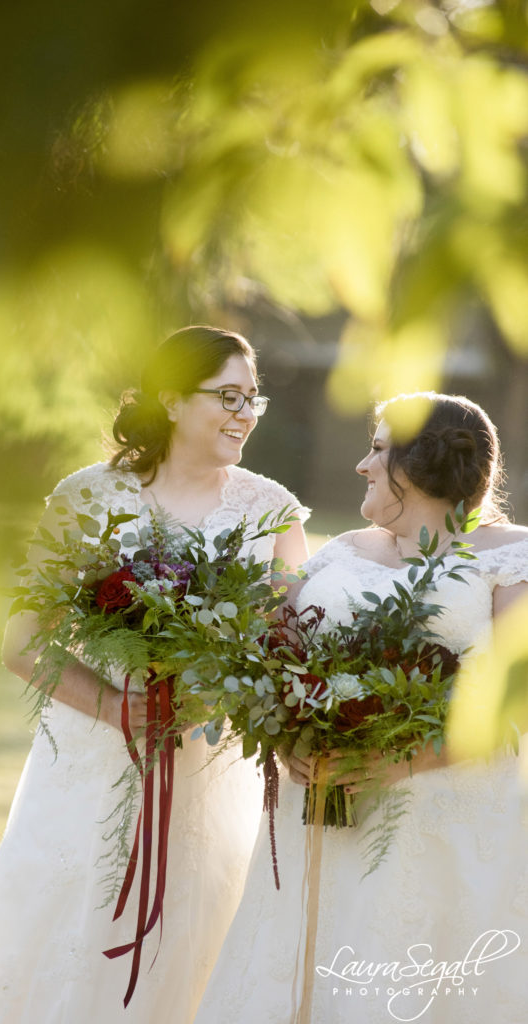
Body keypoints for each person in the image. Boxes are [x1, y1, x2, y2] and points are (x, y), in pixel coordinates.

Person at [0, 325, 310, 1024]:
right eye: (227, 395)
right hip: (87, 763)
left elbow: (287, 649)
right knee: (65, 919)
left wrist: (216, 688)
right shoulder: (84, 498)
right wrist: (115, 707)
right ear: (168, 398)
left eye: (253, 399)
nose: (244, 413)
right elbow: (22, 642)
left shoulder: (271, 510)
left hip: (207, 769)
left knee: (195, 928)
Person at [195, 392, 528, 1024]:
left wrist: (397, 765)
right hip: (318, 812)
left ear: (423, 462)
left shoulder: (513, 556)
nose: (362, 465)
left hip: (441, 822)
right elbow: (275, 655)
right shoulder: (344, 548)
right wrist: (288, 735)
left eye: (378, 449)